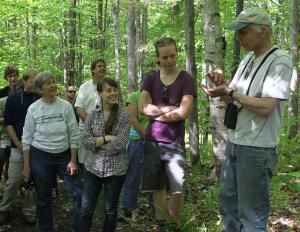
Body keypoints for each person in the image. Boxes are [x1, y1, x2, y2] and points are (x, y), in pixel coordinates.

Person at [202, 7, 293, 232]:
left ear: (262, 31)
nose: (238, 37)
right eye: (237, 32)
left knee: (251, 215)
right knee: (228, 204)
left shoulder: (279, 61)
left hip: (257, 149)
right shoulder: (248, 59)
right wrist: (221, 85)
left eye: (243, 32)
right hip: (236, 142)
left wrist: (231, 93)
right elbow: (234, 97)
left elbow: (266, 107)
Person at [139, 37, 196, 231]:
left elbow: (183, 112)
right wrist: (169, 109)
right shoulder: (150, 78)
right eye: (164, 57)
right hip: (152, 140)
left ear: (177, 53)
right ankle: (161, 224)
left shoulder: (186, 79)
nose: (169, 60)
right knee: (157, 187)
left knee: (177, 188)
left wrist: (156, 112)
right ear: (158, 58)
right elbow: (142, 108)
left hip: (175, 142)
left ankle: (173, 221)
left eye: (172, 55)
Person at [22, 71, 82, 232]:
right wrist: (27, 166)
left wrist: (73, 160)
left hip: (64, 156)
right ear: (40, 89)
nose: (53, 85)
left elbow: (74, 134)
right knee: (43, 198)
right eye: (48, 83)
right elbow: (26, 139)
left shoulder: (66, 106)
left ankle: (79, 228)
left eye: (54, 81)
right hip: (40, 157)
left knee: (79, 192)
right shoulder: (33, 108)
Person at [78, 77, 130, 232]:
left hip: (116, 170)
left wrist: (97, 145)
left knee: (110, 209)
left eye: (115, 89)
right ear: (100, 93)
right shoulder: (93, 115)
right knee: (86, 208)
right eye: (109, 90)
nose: (113, 93)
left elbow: (120, 144)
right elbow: (86, 141)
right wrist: (106, 138)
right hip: (92, 168)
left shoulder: (124, 114)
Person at [0, 70, 38, 225]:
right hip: (17, 146)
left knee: (32, 182)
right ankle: (3, 209)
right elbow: (8, 123)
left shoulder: (40, 98)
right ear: (26, 81)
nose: (35, 83)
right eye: (33, 80)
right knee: (13, 180)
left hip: (37, 147)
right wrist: (18, 144)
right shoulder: (14, 98)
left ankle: (30, 212)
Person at [120, 76, 150, 219]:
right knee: (133, 175)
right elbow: (132, 119)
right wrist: (146, 137)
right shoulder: (134, 97)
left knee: (152, 175)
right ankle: (128, 208)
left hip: (154, 142)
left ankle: (154, 207)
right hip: (136, 141)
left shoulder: (157, 99)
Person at [75, 58, 107, 171]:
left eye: (104, 66)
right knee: (84, 160)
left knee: (101, 160)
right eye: (99, 66)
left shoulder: (108, 87)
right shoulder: (85, 86)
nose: (102, 67)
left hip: (104, 131)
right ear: (93, 70)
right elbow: (79, 109)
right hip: (86, 130)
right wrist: (93, 125)